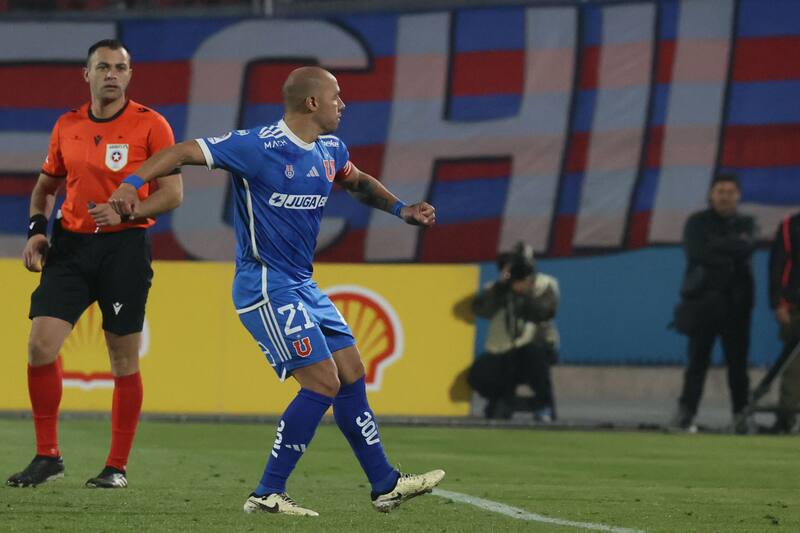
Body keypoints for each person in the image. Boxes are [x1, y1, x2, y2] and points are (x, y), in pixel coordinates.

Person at [104, 66, 444, 516]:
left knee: (351, 370)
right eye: (336, 96)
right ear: (311, 103)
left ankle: (384, 482)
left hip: (304, 284)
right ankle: (267, 492)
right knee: (322, 381)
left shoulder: (329, 149)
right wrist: (130, 183)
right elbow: (184, 151)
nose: (343, 104)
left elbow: (356, 181)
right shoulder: (256, 146)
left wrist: (401, 210)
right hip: (264, 283)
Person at [6, 40, 182, 489]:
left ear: (129, 75)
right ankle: (48, 456)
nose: (111, 74)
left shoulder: (151, 125)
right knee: (40, 346)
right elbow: (45, 187)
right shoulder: (67, 124)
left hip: (124, 248)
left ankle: (116, 467)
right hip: (70, 247)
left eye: (120, 68)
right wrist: (36, 231)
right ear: (86, 74)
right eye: (102, 67)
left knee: (122, 358)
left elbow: (172, 194)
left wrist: (128, 210)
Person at [672, 174, 755, 434]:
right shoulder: (696, 222)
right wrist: (730, 250)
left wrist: (717, 247)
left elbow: (746, 249)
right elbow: (697, 252)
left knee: (738, 367)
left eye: (730, 191)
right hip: (704, 305)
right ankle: (686, 415)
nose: (725, 196)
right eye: (720, 191)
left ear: (738, 195)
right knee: (697, 363)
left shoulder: (747, 222)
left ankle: (742, 416)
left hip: (738, 306)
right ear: (711, 194)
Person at [468, 243, 559, 421]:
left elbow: (545, 312)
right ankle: (505, 401)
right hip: (503, 351)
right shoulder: (497, 289)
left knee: (533, 355)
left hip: (536, 348)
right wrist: (501, 287)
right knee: (478, 374)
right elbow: (481, 310)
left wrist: (526, 292)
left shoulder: (545, 285)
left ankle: (543, 404)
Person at [767, 212, 800, 433]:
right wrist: (778, 302)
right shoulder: (791, 226)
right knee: (793, 366)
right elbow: (777, 266)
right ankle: (785, 420)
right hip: (794, 305)